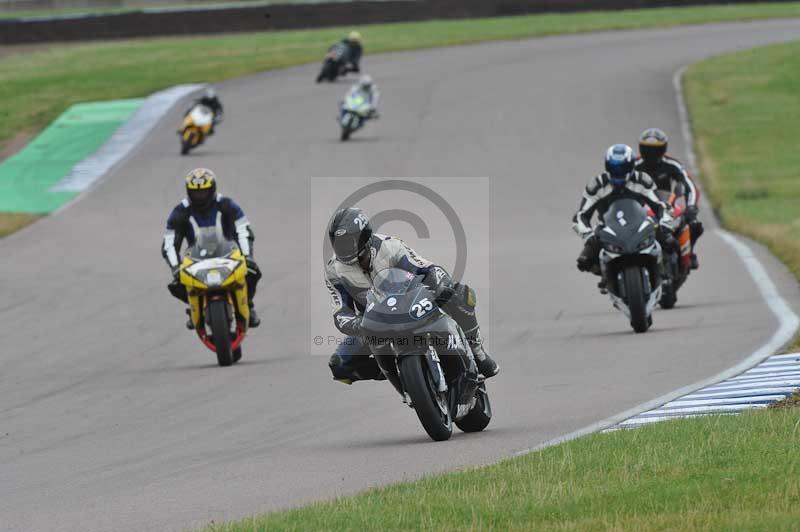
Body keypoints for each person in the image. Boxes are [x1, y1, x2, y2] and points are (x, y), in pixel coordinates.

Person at [324, 207, 499, 384]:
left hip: (412, 302)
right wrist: (356, 324)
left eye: (348, 242)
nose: (343, 248)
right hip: (375, 321)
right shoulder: (334, 271)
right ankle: (404, 376)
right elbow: (340, 311)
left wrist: (442, 284)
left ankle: (477, 351)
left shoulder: (389, 246)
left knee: (461, 294)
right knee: (339, 367)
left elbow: (427, 269)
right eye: (338, 243)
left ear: (364, 236)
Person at [162, 168, 261, 328]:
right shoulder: (180, 211)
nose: (200, 197)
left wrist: (248, 256)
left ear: (212, 189)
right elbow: (169, 242)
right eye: (195, 193)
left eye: (204, 192)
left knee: (252, 272)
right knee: (176, 285)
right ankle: (195, 309)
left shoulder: (227, 204)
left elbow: (243, 229)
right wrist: (175, 267)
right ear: (188, 191)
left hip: (228, 254)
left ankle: (248, 305)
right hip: (195, 259)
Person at [573, 144, 675, 288]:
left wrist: (665, 223)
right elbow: (580, 215)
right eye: (613, 168)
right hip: (608, 228)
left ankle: (664, 270)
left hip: (640, 223)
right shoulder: (596, 185)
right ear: (607, 166)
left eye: (622, 168)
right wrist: (588, 235)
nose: (618, 172)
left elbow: (659, 205)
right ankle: (606, 275)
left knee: (669, 240)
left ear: (631, 166)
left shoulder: (642, 180)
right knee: (584, 261)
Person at [635, 128, 703, 269]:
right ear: (641, 149)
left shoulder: (673, 165)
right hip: (639, 208)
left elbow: (690, 186)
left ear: (663, 149)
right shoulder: (633, 166)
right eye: (647, 150)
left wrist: (691, 207)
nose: (651, 155)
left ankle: (688, 254)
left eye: (655, 150)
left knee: (695, 225)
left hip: (667, 206)